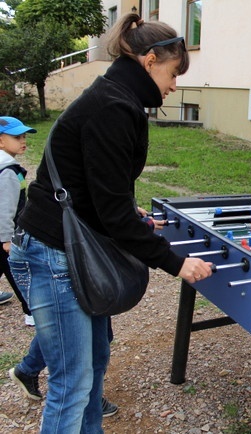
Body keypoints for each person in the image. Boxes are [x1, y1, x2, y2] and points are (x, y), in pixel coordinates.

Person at [7, 14, 213, 433]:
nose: (175, 85)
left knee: (96, 360)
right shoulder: (113, 107)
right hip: (52, 252)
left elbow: (100, 187)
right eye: (174, 73)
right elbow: (114, 217)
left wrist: (126, 210)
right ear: (149, 60)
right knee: (72, 383)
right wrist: (177, 263)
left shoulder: (116, 97)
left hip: (70, 245)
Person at [0, 116, 36, 323]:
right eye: (16, 137)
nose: (23, 141)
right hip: (6, 235)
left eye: (23, 136)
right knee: (18, 273)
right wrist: (6, 239)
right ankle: (31, 311)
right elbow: (5, 209)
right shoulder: (8, 172)